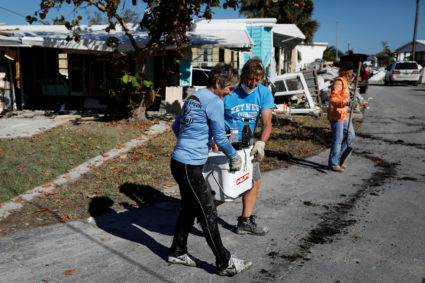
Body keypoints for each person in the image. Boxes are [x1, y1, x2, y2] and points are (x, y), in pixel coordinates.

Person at [168, 63, 252, 276]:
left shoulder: (194, 96)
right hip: (189, 165)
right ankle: (224, 262)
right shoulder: (215, 101)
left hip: (179, 162)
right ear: (218, 82)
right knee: (208, 212)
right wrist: (234, 156)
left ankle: (177, 251)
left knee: (188, 208)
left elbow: (176, 127)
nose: (231, 92)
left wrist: (193, 143)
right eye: (230, 88)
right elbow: (221, 138)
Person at [222, 57, 275, 236]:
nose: (252, 83)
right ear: (243, 75)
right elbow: (213, 116)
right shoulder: (231, 91)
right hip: (225, 143)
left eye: (257, 80)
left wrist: (261, 143)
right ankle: (199, 211)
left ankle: (245, 221)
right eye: (250, 78)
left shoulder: (264, 93)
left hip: (246, 144)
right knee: (227, 186)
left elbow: (267, 122)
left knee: (253, 182)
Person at [327, 61, 356, 172]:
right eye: (352, 71)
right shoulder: (339, 82)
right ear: (347, 71)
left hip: (344, 114)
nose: (353, 73)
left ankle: (339, 158)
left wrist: (351, 100)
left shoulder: (344, 81)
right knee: (338, 140)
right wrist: (345, 102)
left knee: (351, 136)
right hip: (336, 114)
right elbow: (333, 99)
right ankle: (333, 163)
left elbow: (343, 96)